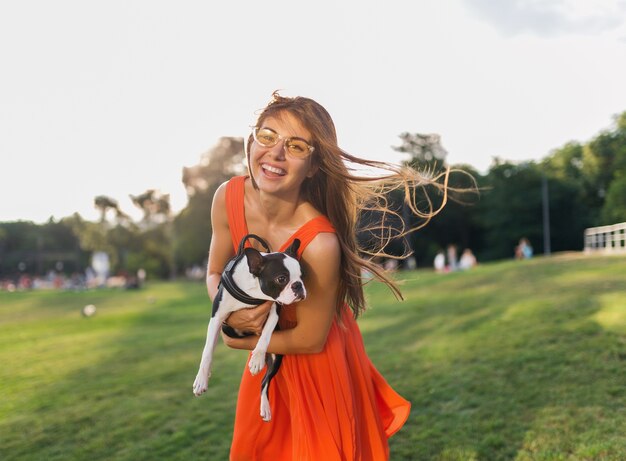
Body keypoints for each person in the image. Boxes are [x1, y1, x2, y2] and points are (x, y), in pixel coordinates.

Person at [205, 92, 448, 460]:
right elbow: (214, 273)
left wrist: (237, 340)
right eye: (268, 136)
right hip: (269, 361)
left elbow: (310, 340)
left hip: (319, 366)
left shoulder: (320, 242)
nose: (276, 153)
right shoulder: (228, 198)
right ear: (252, 139)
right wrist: (230, 314)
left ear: (314, 165)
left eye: (297, 145)